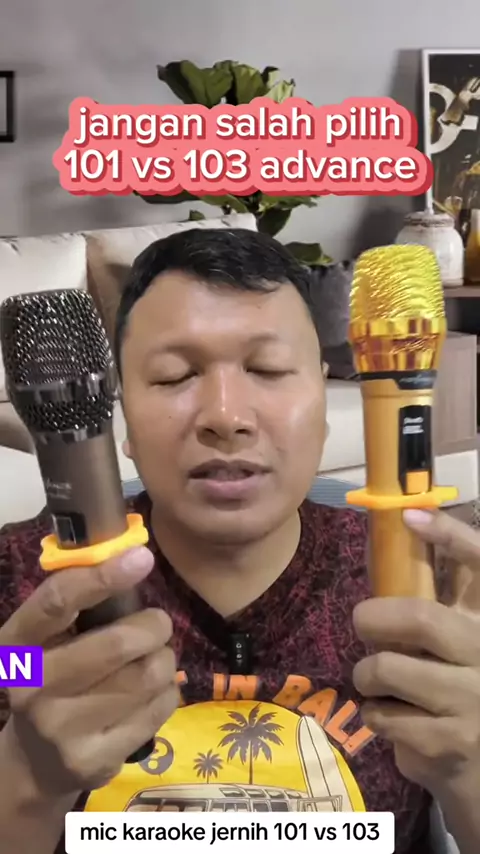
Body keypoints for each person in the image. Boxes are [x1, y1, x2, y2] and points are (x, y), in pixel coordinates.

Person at [0, 227, 478, 854]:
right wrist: (27, 779)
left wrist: (472, 773)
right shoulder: (22, 604)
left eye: (268, 369)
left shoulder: (444, 591)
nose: (225, 416)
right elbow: (17, 677)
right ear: (124, 420)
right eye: (173, 376)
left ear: (324, 400)